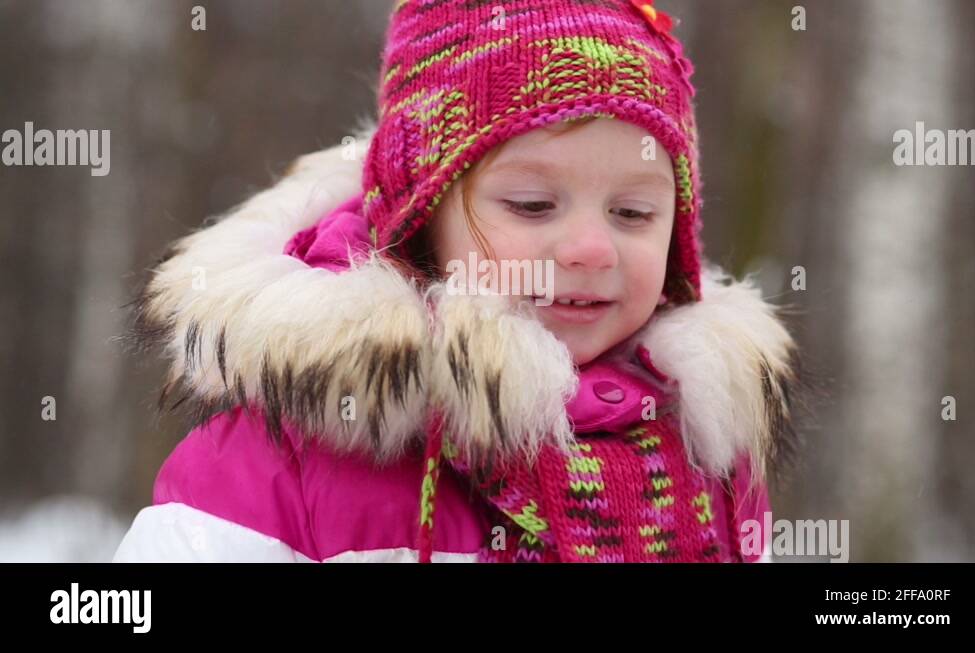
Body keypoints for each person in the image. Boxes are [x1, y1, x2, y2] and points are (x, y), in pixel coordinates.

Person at [114, 0, 799, 563]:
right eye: (533, 205)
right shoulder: (288, 453)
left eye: (633, 213)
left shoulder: (708, 453)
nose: (593, 247)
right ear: (419, 216)